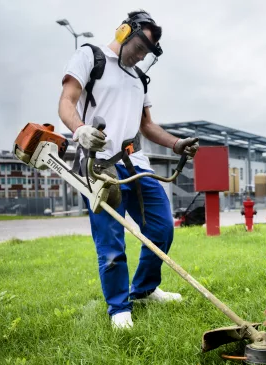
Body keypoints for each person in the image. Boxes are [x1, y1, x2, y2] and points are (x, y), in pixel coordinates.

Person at [58, 10, 198, 329]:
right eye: (138, 48)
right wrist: (79, 129)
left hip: (135, 162)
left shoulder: (139, 78)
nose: (139, 57)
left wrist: (177, 144)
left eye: (146, 54)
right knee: (111, 239)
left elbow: (147, 125)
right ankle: (119, 309)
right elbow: (66, 100)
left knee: (161, 227)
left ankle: (145, 289)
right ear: (123, 32)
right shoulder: (89, 57)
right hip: (97, 164)